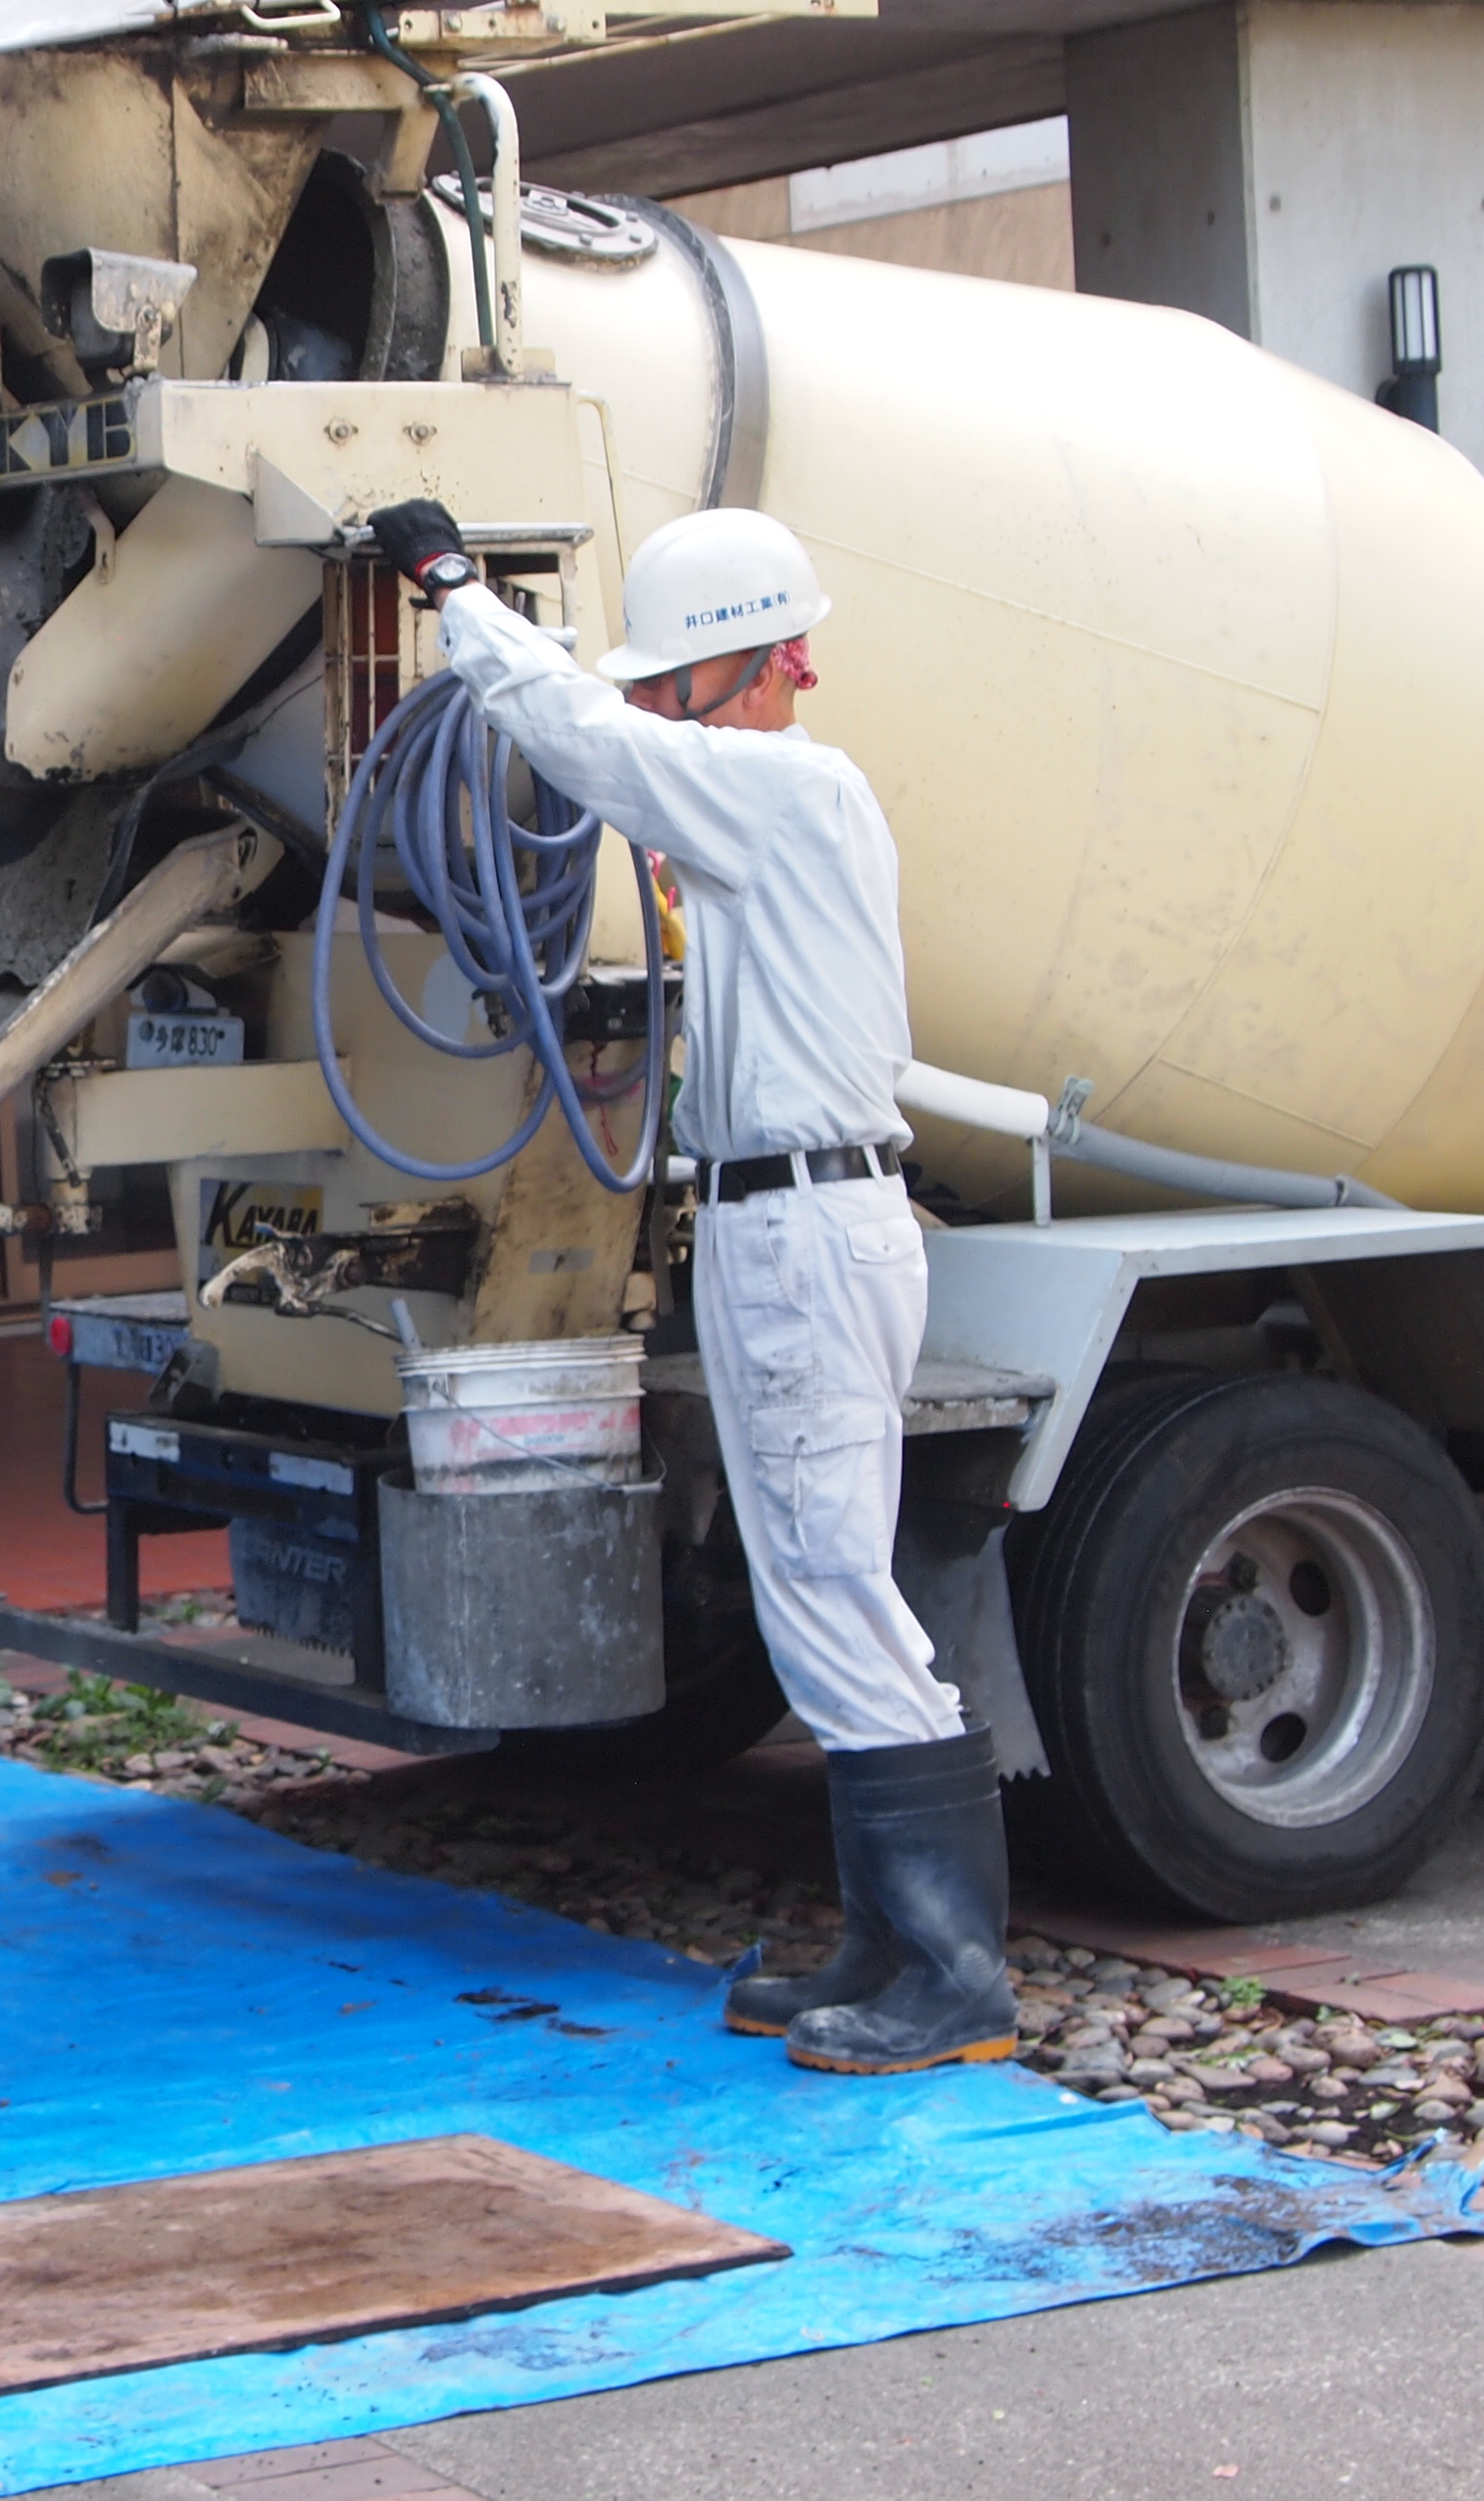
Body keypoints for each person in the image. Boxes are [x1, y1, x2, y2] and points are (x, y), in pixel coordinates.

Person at [371, 495, 1015, 2076]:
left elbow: (587, 741)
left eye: (672, 688)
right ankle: (891, 1941)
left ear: (756, 666)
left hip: (804, 1224)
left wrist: (457, 595)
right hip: (768, 1216)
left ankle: (948, 1969)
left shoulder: (790, 789)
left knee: (830, 1584)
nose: (658, 716)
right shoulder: (761, 822)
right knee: (817, 1588)